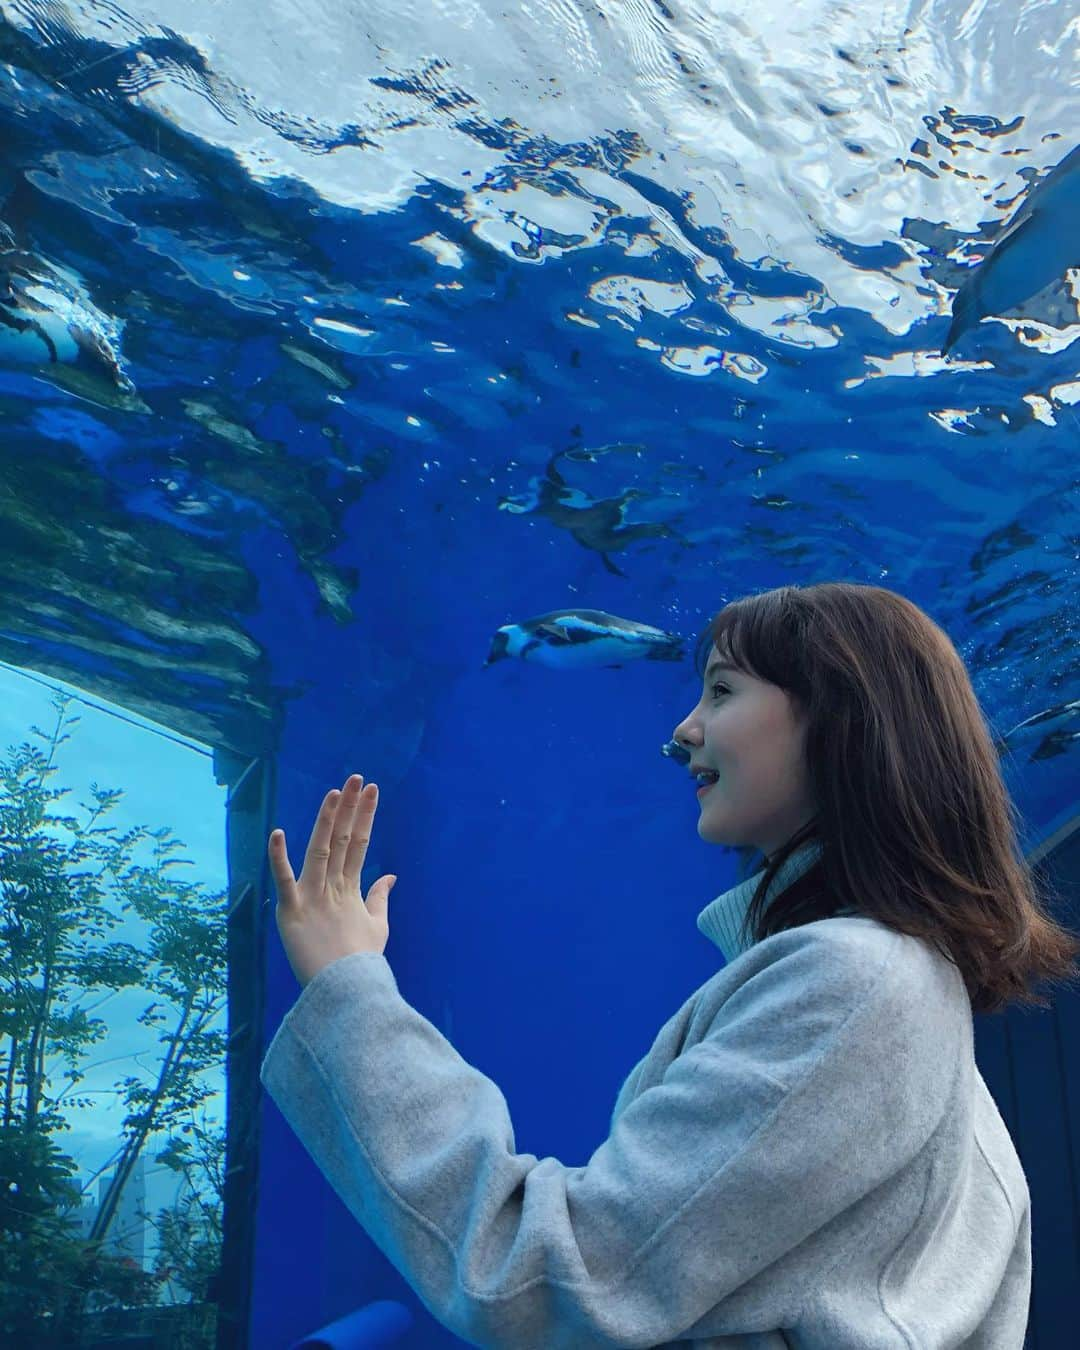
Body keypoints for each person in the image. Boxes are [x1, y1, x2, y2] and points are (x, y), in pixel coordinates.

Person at [262, 581, 1080, 1348]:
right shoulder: (905, 998)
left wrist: (351, 993)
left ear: (844, 720)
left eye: (721, 692)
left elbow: (545, 1278)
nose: (682, 731)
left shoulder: (857, 983)